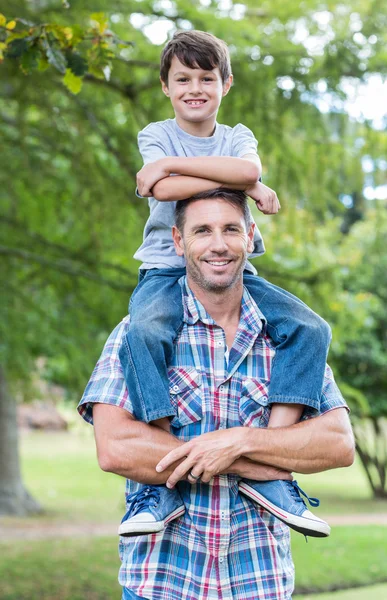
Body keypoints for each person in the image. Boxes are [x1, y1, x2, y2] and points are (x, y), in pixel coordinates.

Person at [78, 190, 355, 600]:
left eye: (231, 229)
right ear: (177, 241)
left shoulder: (288, 340)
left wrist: (238, 441)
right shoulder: (139, 334)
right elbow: (116, 447)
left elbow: (337, 443)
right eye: (202, 231)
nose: (219, 244)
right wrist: (258, 462)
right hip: (161, 583)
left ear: (250, 236)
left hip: (260, 582)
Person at [117, 29, 332, 537]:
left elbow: (238, 167)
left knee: (311, 328)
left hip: (235, 272)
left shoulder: (236, 135)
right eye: (182, 79)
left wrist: (195, 169)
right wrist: (241, 184)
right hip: (166, 270)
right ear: (166, 88)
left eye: (206, 78)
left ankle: (271, 469)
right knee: (142, 334)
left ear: (226, 83)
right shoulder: (155, 133)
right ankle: (159, 479)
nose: (195, 87)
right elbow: (165, 189)